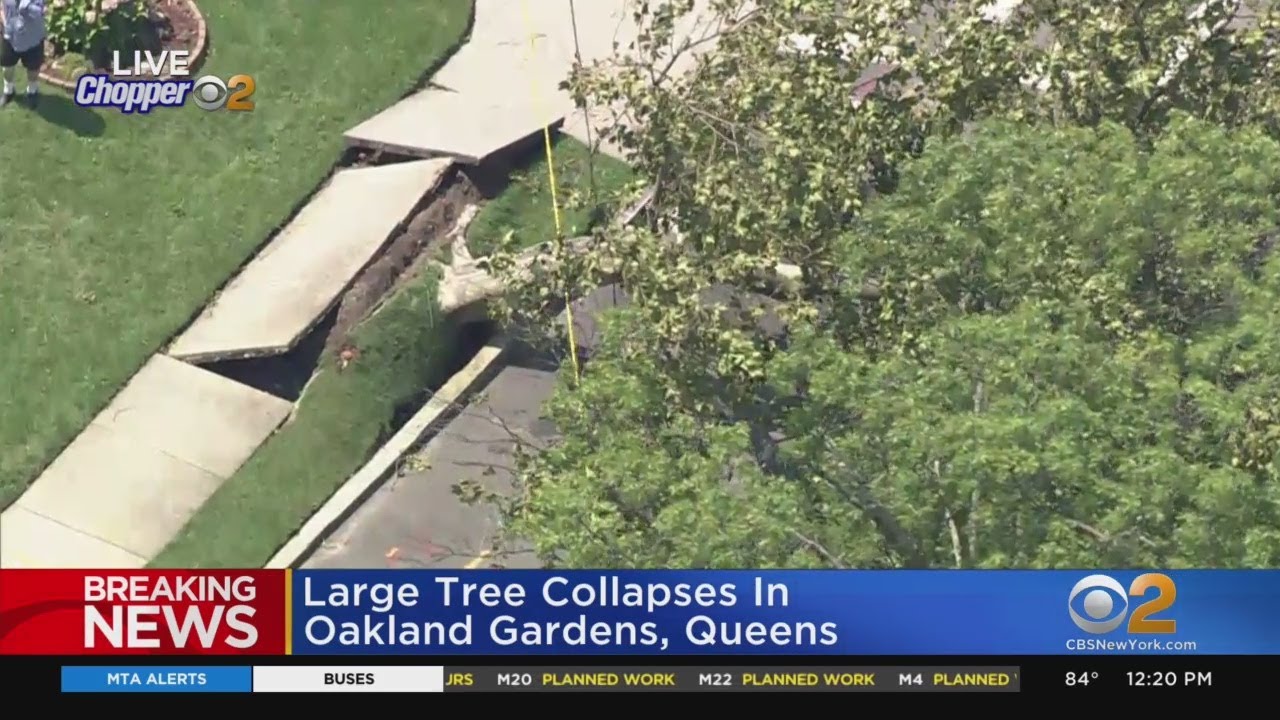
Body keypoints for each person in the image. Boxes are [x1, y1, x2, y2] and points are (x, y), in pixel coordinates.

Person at [1, 0, 45, 108]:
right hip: (10, 37)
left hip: (33, 37)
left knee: (33, 68)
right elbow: (2, 7)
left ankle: (32, 91)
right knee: (7, 68)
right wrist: (6, 23)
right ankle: (9, 91)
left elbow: (42, 11)